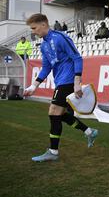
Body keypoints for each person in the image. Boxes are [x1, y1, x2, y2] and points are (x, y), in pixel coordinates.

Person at [23, 13, 98, 162]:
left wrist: (77, 82)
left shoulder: (60, 37)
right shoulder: (44, 45)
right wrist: (33, 86)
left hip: (68, 80)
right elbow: (46, 67)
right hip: (60, 81)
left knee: (53, 112)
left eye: (34, 28)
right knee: (60, 114)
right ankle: (89, 131)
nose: (33, 31)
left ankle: (53, 151)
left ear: (43, 24)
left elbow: (77, 57)